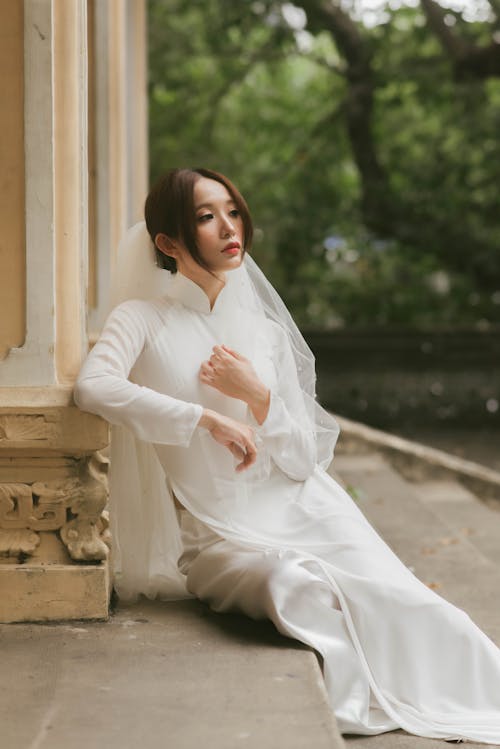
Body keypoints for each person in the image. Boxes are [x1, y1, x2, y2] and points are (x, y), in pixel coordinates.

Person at [74, 167, 500, 742]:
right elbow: (93, 387)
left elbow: (303, 458)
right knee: (297, 587)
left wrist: (256, 394)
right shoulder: (142, 320)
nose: (230, 226)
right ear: (168, 244)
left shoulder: (264, 334)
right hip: (219, 539)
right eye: (206, 216)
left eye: (232, 210)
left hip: (308, 508)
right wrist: (206, 417)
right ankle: (363, 695)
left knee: (419, 607)